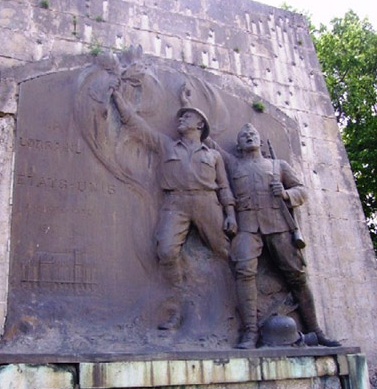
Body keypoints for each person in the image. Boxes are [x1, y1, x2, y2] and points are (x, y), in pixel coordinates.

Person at [110, 85, 237, 330]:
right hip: (175, 203)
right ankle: (176, 309)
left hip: (207, 202)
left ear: (200, 125)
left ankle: (245, 308)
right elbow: (137, 126)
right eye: (181, 115)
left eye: (187, 116)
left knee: (227, 250)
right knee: (166, 251)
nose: (181, 119)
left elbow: (224, 187)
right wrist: (118, 98)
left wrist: (230, 214)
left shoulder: (214, 156)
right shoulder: (166, 145)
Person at [208, 123, 340, 348]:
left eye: (253, 134)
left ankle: (315, 330)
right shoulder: (233, 163)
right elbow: (208, 141)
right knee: (244, 271)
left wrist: (286, 194)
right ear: (239, 145)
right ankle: (250, 332)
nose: (249, 137)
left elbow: (302, 190)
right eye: (244, 136)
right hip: (247, 227)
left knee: (296, 275)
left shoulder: (278, 165)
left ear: (259, 141)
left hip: (278, 225)